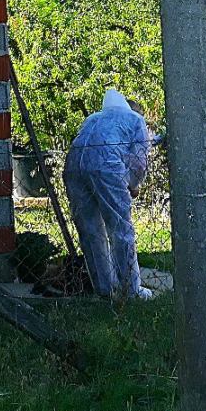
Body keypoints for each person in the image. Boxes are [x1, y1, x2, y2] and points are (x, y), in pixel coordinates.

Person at [63, 89, 154, 300]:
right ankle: (131, 290)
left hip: (73, 168)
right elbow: (139, 161)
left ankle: (104, 288)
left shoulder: (93, 119)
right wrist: (134, 184)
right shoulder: (136, 120)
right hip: (107, 167)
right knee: (120, 227)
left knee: (90, 230)